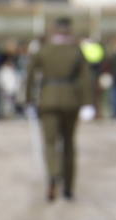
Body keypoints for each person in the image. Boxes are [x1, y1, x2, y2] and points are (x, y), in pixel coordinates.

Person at [23, 17, 95, 202]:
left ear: (54, 29)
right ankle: (68, 187)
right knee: (69, 144)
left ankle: (53, 175)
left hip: (48, 99)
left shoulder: (44, 49)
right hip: (71, 100)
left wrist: (28, 99)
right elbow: (86, 78)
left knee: (50, 143)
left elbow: (30, 75)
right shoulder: (76, 51)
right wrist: (88, 103)